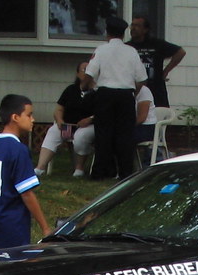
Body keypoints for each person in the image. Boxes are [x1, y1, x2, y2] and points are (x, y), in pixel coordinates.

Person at [0, 94, 50, 250]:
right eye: (29, 115)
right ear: (15, 117)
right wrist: (45, 228)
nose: (33, 119)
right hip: (12, 223)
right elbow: (26, 193)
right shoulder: (18, 150)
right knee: (16, 264)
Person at [85, 16, 146, 180]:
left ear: (107, 32)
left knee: (103, 134)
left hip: (105, 94)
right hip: (125, 95)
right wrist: (132, 92)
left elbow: (89, 73)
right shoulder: (131, 51)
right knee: (125, 135)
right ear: (123, 33)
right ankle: (125, 172)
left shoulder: (101, 50)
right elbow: (141, 79)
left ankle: (101, 172)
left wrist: (91, 87)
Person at [34, 61, 96, 178]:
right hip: (68, 125)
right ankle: (40, 168)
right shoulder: (71, 90)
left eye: (90, 70)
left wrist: (90, 119)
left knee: (81, 137)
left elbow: (102, 113)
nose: (87, 73)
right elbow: (58, 110)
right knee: (53, 131)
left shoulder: (98, 92)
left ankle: (79, 169)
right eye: (84, 70)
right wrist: (60, 121)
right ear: (78, 74)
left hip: (88, 126)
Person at [128, 15, 185, 109]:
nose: (133, 28)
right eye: (132, 25)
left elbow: (180, 52)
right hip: (134, 89)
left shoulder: (157, 44)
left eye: (137, 26)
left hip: (156, 90)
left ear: (145, 30)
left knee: (159, 116)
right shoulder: (127, 47)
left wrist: (166, 71)